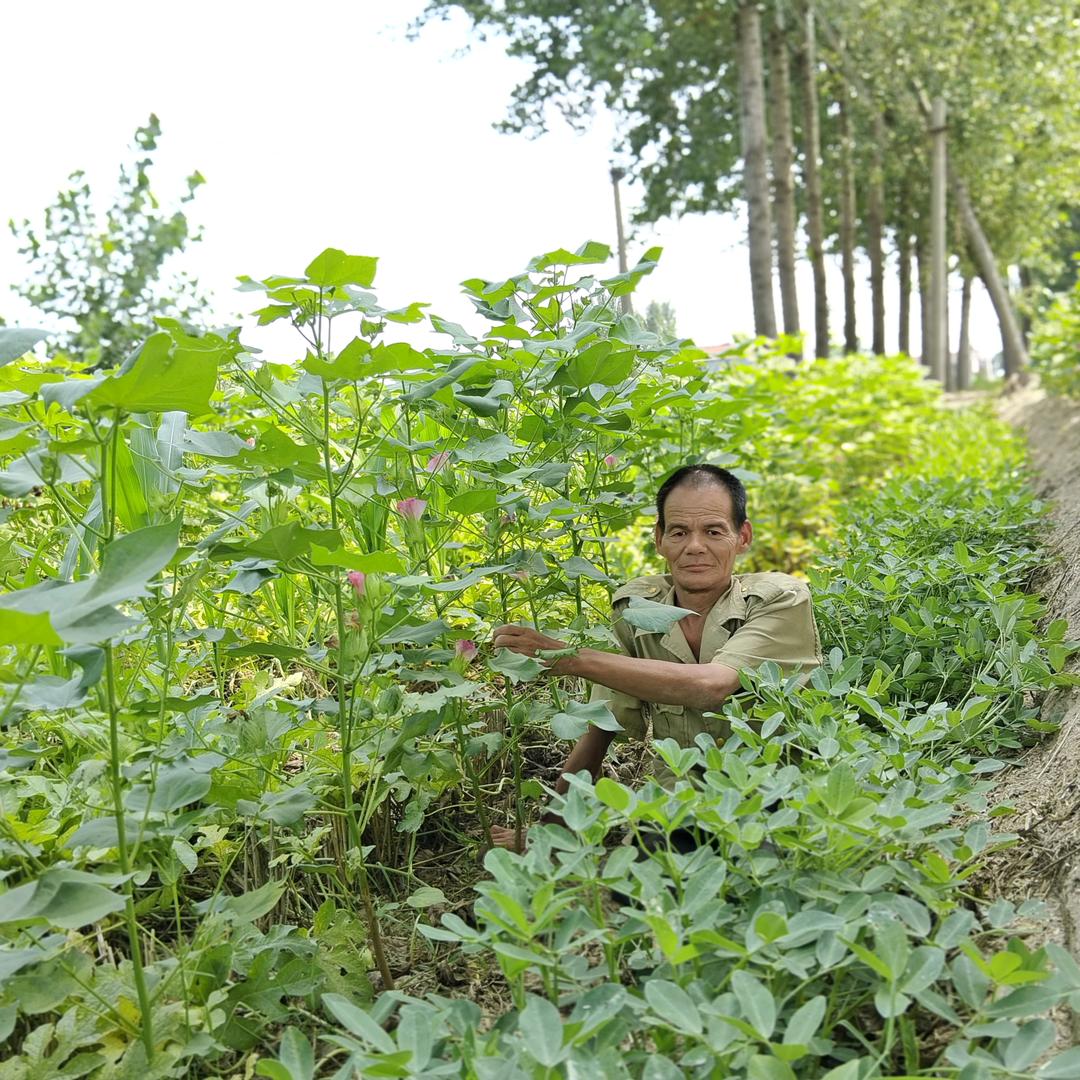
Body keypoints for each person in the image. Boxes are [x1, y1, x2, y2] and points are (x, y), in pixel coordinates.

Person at [489, 464, 822, 850]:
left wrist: (566, 657)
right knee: (637, 895)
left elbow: (712, 686)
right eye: (679, 532)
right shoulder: (636, 609)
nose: (695, 546)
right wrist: (551, 828)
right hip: (682, 803)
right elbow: (601, 726)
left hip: (775, 798)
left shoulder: (781, 598)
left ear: (741, 536)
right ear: (659, 539)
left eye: (713, 531)